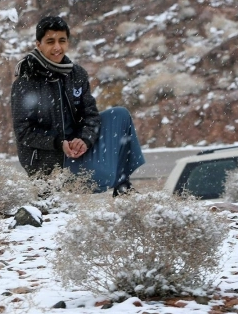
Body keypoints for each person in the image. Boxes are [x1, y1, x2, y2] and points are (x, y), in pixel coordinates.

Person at [11, 16, 145, 195]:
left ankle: (122, 187)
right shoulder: (26, 82)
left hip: (77, 151)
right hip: (50, 164)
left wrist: (85, 139)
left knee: (120, 115)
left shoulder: (76, 74)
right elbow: (23, 132)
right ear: (38, 44)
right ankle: (84, 181)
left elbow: (90, 115)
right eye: (50, 41)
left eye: (62, 41)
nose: (57, 47)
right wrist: (59, 144)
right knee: (104, 175)